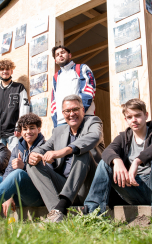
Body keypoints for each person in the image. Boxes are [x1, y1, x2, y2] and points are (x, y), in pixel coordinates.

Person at [81, 99, 152, 228]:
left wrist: (137, 162)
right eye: (129, 117)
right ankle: (93, 212)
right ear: (126, 120)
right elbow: (108, 151)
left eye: (138, 115)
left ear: (146, 115)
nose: (134, 120)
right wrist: (117, 161)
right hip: (132, 188)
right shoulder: (124, 137)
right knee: (106, 163)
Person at [27, 94, 105, 222]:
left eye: (75, 109)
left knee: (82, 152)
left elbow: (95, 136)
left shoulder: (93, 122)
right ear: (63, 113)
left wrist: (63, 151)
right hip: (64, 185)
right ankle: (56, 212)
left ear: (83, 110)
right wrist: (33, 154)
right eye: (67, 111)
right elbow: (43, 148)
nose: (71, 114)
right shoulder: (58, 131)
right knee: (32, 164)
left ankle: (62, 206)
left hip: (89, 185)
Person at [0, 59, 29, 148]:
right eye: (2, 69)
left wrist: (20, 126)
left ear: (11, 71)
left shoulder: (19, 88)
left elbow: (24, 109)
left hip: (14, 132)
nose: (5, 71)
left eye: (7, 69)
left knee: (14, 158)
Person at [50, 45, 96, 127]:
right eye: (57, 55)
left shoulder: (82, 68)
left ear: (70, 55)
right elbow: (54, 101)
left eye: (63, 52)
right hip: (62, 122)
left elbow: (89, 91)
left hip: (83, 118)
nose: (60, 55)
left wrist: (79, 112)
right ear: (55, 61)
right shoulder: (56, 77)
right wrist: (55, 123)